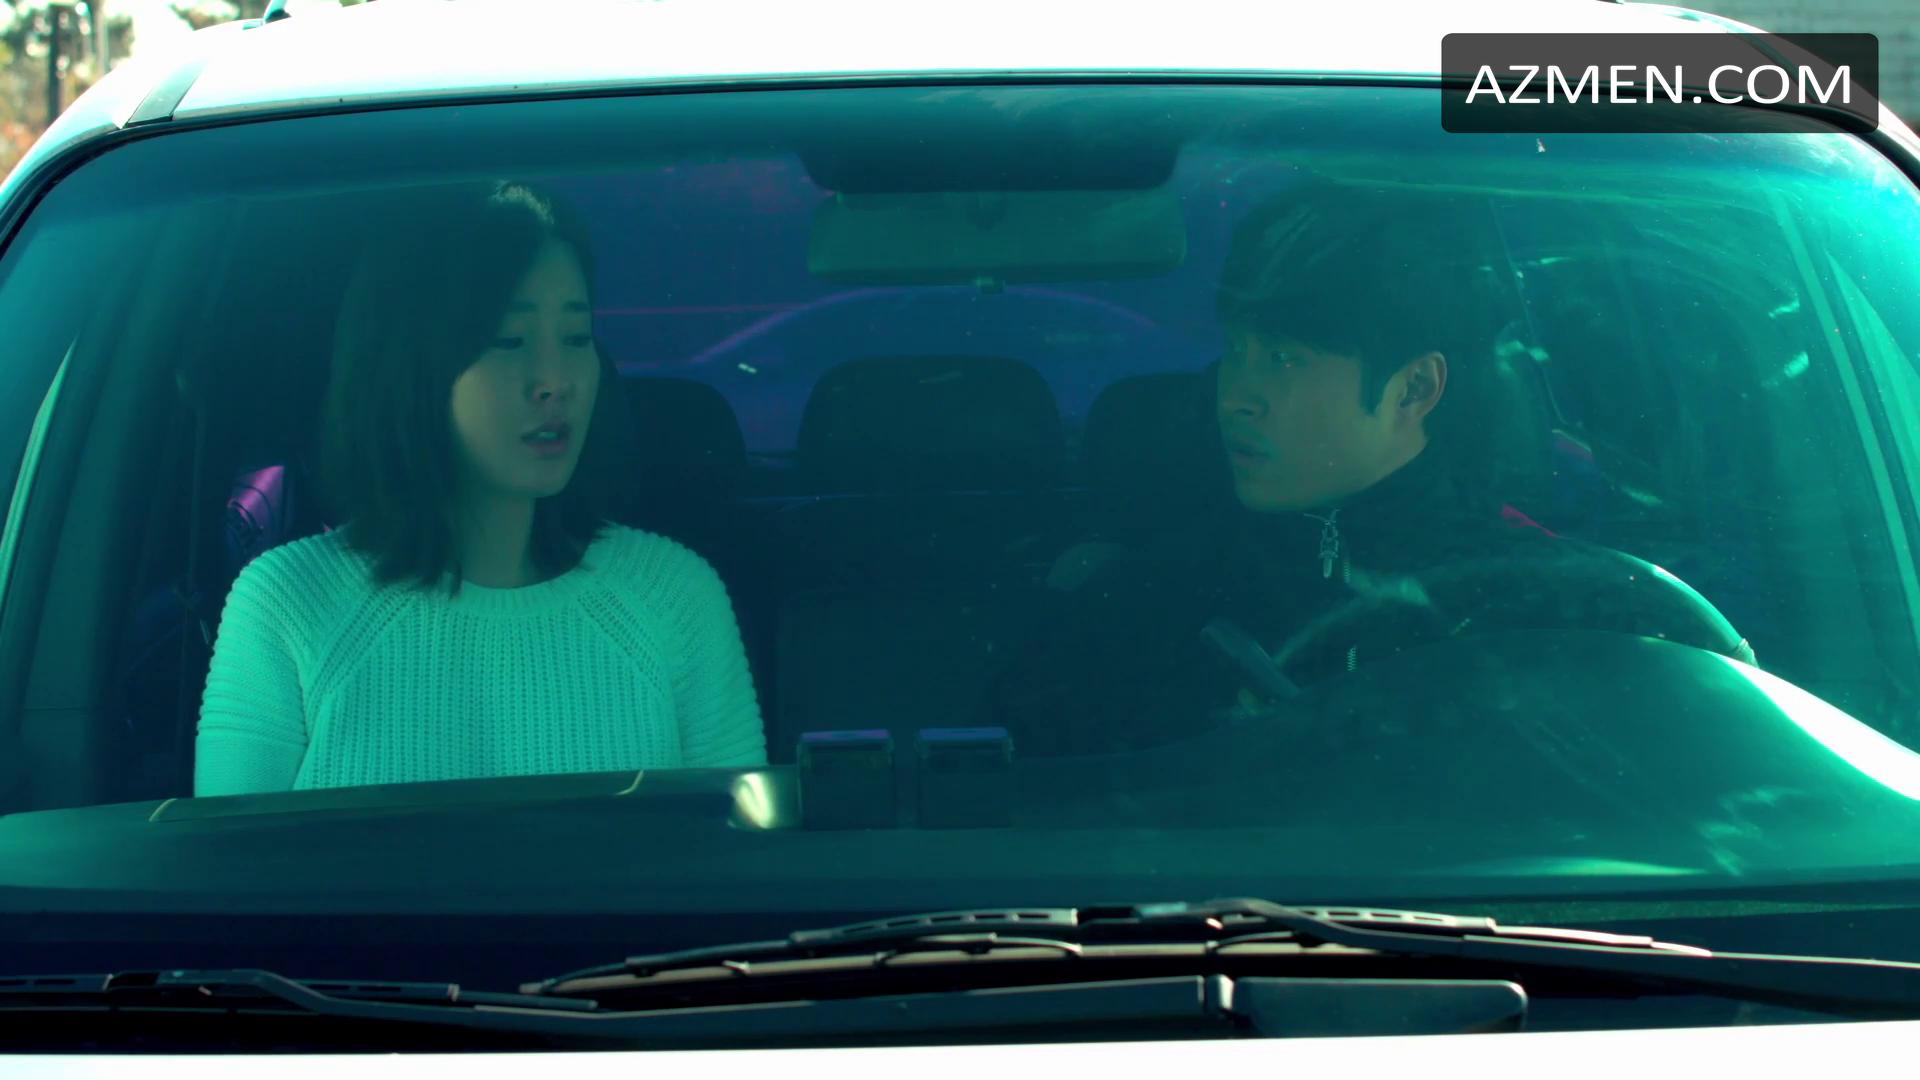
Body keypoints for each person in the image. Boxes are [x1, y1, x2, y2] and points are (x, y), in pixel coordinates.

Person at [194, 181, 767, 796]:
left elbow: (741, 848)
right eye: (508, 340)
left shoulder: (673, 597)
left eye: (577, 338)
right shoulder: (287, 605)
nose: (555, 380)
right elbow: (232, 855)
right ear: (410, 364)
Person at [991, 183, 1545, 756]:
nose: (1233, 397)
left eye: (1283, 358)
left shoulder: (1533, 598)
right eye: (1235, 351)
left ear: (1414, 388)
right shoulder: (1142, 602)